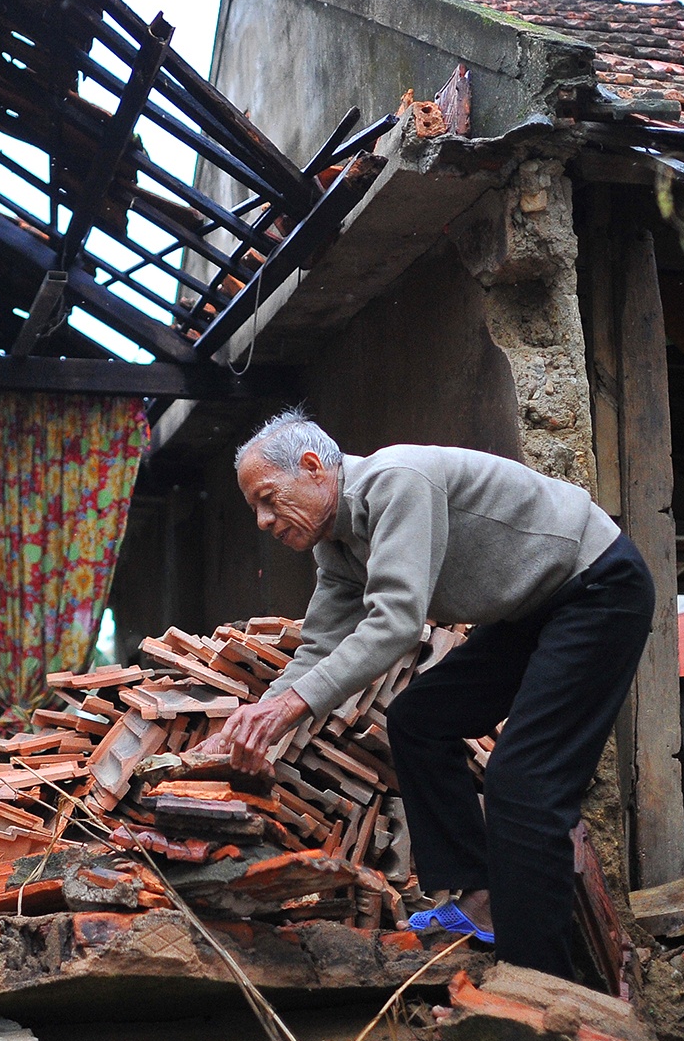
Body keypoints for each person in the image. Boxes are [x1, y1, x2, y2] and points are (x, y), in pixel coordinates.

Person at [199, 411, 655, 979]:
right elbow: (318, 649)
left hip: (596, 587)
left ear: (313, 468)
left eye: (268, 499)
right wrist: (255, 719)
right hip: (533, 609)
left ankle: (537, 982)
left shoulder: (397, 482)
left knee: (524, 781)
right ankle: (480, 896)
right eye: (256, 509)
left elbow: (395, 622)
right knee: (419, 718)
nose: (264, 521)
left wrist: (291, 709)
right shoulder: (336, 546)